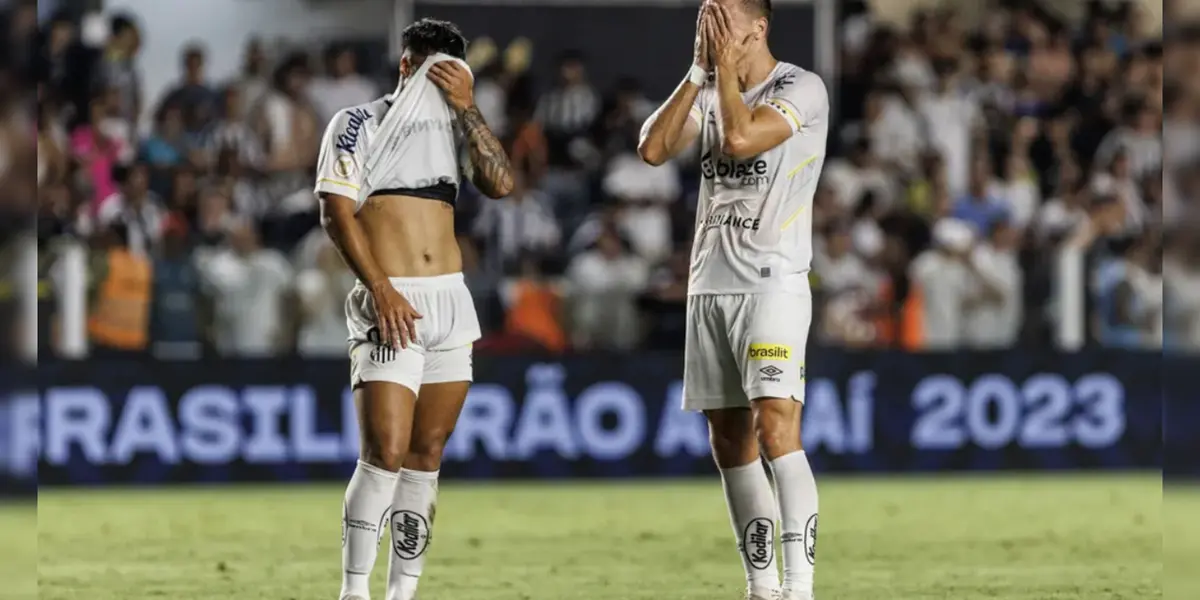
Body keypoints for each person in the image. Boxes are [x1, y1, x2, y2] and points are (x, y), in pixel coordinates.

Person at [313, 18, 514, 600]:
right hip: (390, 297)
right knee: (385, 453)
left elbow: (500, 185)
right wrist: (380, 287)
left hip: (449, 301)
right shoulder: (358, 123)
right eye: (433, 72)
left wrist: (469, 108)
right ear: (407, 66)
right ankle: (354, 591)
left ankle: (403, 592)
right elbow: (336, 212)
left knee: (426, 455)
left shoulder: (455, 129)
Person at [638, 1, 827, 599]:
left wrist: (719, 71)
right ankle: (762, 587)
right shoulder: (709, 89)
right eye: (705, 23)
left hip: (772, 283)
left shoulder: (800, 86)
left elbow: (743, 137)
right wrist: (698, 72)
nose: (713, 34)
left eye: (723, 24)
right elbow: (652, 148)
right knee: (729, 442)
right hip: (708, 283)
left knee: (775, 429)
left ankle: (799, 587)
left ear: (758, 27)